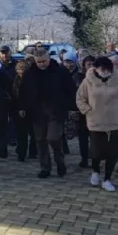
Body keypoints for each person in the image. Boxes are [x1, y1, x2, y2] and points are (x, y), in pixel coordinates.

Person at [76, 56, 118, 192]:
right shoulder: (88, 81)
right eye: (103, 69)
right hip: (96, 122)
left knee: (112, 153)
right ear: (96, 68)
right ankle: (95, 171)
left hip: (115, 122)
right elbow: (80, 98)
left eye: (108, 69)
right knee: (96, 151)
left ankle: (107, 179)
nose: (106, 71)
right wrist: (87, 111)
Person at [18, 49, 75, 179]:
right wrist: (22, 107)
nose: (42, 64)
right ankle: (45, 167)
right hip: (37, 112)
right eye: (39, 62)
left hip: (56, 111)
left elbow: (71, 90)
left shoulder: (60, 72)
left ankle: (59, 160)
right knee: (40, 140)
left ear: (49, 59)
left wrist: (71, 106)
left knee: (53, 138)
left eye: (44, 61)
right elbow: (23, 91)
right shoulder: (29, 73)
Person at [11, 59, 36, 162]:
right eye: (19, 69)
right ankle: (21, 152)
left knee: (31, 132)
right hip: (17, 109)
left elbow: (29, 96)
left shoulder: (30, 80)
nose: (21, 71)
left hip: (28, 110)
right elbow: (14, 95)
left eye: (23, 69)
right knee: (21, 133)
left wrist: (23, 108)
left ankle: (31, 152)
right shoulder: (15, 79)